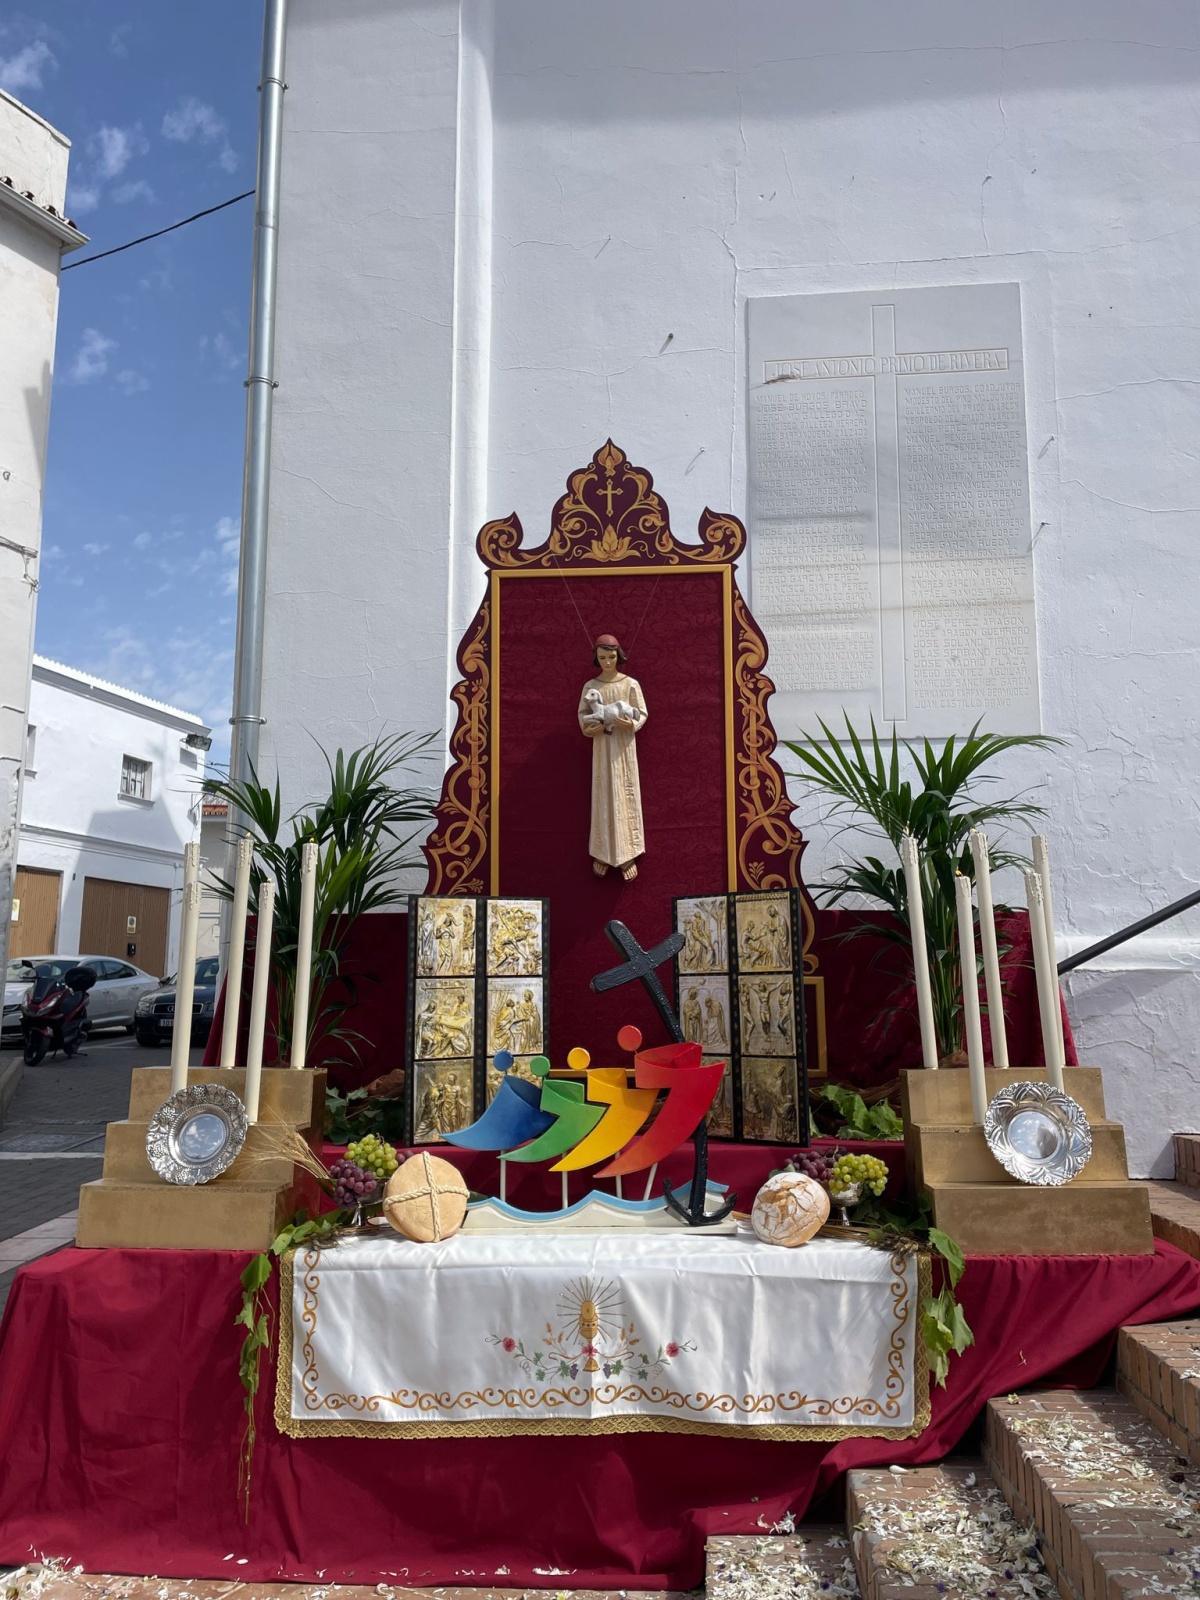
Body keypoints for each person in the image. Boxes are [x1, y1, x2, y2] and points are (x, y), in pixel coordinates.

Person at [577, 633, 647, 880]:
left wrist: (629, 724)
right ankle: (602, 852)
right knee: (603, 797)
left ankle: (628, 854)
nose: (607, 661)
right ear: (596, 658)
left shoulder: (630, 684)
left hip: (623, 750)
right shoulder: (591, 687)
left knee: (625, 796)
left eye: (611, 656)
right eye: (602, 657)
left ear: (619, 656)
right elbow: (583, 716)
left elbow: (642, 713)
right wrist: (590, 728)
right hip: (601, 750)